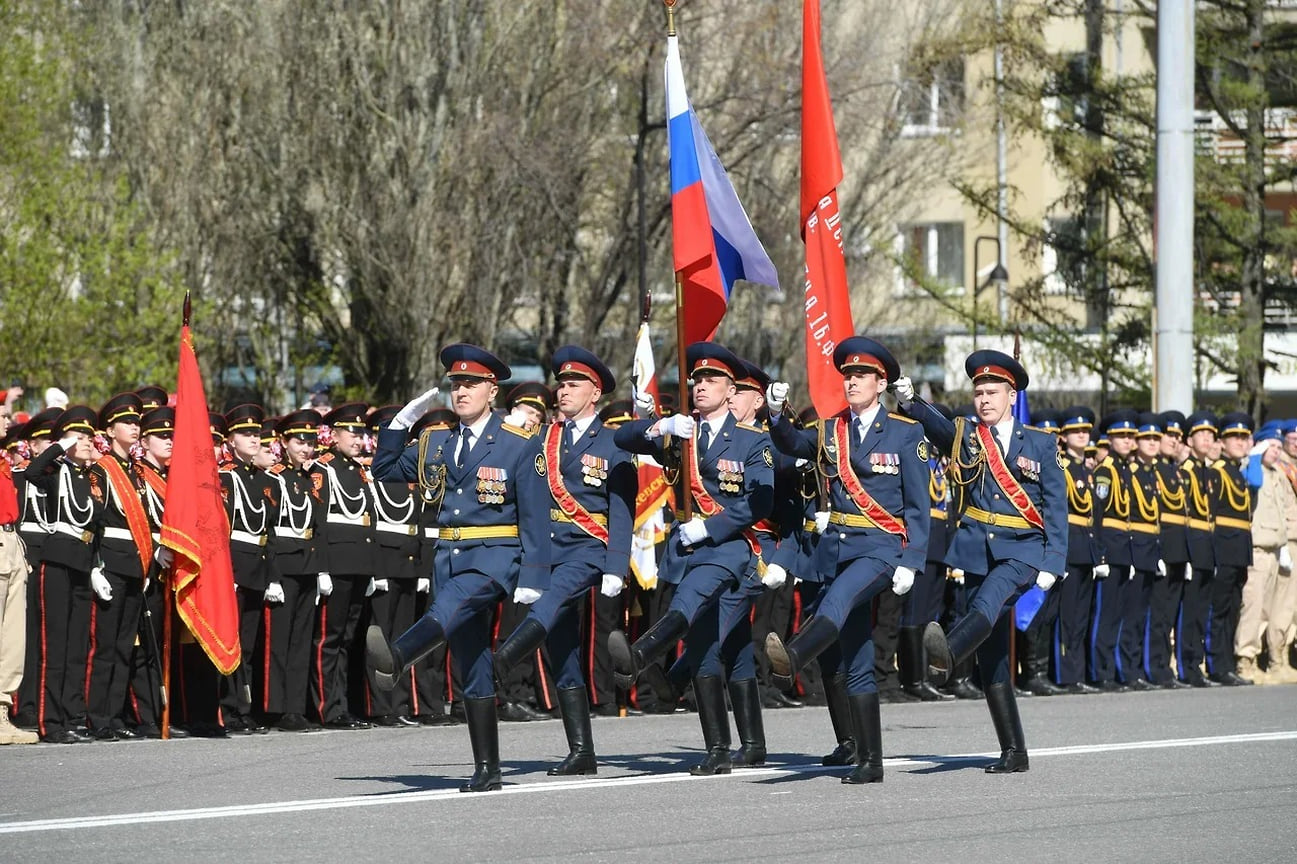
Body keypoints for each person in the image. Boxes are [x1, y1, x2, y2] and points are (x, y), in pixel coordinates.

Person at [367, 344, 549, 792]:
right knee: (471, 663)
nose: (460, 391)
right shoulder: (437, 441)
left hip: (493, 559)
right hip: (449, 558)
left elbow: (536, 513)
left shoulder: (518, 443)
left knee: (448, 609)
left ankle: (398, 657)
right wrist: (400, 424)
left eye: (470, 384)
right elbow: (384, 470)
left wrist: (535, 577)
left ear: (492, 390)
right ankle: (488, 768)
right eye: (455, 384)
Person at [764, 336, 930, 784]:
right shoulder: (829, 429)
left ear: (881, 383)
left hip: (880, 549)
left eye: (861, 376)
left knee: (833, 602)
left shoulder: (906, 432)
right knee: (855, 655)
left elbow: (917, 505)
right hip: (839, 548)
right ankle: (870, 760)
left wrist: (912, 560)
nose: (852, 381)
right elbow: (792, 444)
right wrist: (776, 413)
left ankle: (794, 656)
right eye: (848, 376)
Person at [894, 350, 1066, 774]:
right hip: (973, 549)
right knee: (992, 656)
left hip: (1021, 551)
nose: (984, 399)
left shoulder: (1041, 443)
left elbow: (1056, 507)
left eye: (992, 392)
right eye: (978, 393)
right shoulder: (967, 436)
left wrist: (1053, 562)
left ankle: (948, 652)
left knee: (985, 605)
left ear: (1012, 396)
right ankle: (1014, 751)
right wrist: (910, 403)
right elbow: (935, 426)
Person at [607, 342, 774, 776]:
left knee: (691, 604)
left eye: (711, 380)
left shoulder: (752, 440)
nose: (701, 386)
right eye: (696, 380)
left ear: (731, 389)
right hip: (686, 549)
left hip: (729, 548)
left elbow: (762, 499)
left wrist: (713, 527)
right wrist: (660, 424)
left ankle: (641, 656)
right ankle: (722, 749)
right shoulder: (683, 434)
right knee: (707, 648)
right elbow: (620, 438)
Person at [492, 346, 635, 775]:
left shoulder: (612, 441)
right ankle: (582, 751)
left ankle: (504, 658)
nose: (563, 390)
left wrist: (616, 564)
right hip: (547, 553)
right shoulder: (542, 439)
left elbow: (621, 509)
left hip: (588, 549)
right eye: (562, 383)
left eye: (574, 384)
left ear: (595, 393)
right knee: (562, 647)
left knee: (548, 603)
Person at [85, 393, 163, 740]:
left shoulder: (136, 472)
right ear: (110, 429)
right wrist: (95, 565)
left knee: (122, 646)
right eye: (127, 423)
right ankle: (98, 716)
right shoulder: (102, 470)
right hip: (110, 563)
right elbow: (95, 520)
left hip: (135, 563)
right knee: (105, 646)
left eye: (136, 423)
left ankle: (114, 715)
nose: (134, 428)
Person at [24, 405, 102, 743]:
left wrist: (97, 566)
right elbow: (31, 472)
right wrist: (62, 444)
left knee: (75, 648)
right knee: (54, 647)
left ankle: (71, 716)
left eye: (89, 436)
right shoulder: (56, 470)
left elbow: (98, 524)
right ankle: (50, 722)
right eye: (80, 436)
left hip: (84, 563)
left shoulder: (93, 478)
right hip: (57, 561)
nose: (87, 442)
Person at [310, 403, 377, 729]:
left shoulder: (359, 470)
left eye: (360, 432)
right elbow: (319, 522)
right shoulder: (324, 469)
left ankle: (342, 705)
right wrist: (322, 568)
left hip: (357, 564)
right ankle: (327, 707)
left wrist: (371, 569)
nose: (358, 438)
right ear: (333, 435)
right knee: (329, 639)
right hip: (335, 564)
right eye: (351, 431)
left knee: (348, 639)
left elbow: (368, 520)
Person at [262, 410, 327, 731]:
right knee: (279, 641)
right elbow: (269, 530)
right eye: (299, 441)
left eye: (311, 442)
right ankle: (275, 708)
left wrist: (320, 569)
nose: (306, 447)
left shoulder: (307, 479)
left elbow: (315, 527)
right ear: (283, 443)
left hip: (306, 565)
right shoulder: (274, 478)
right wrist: (272, 575)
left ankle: (295, 707)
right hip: (284, 565)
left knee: (302, 640)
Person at [362, 405, 423, 727]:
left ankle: (399, 703)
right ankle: (380, 705)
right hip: (383, 561)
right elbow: (368, 526)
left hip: (409, 562)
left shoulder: (410, 473)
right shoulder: (371, 473)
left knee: (403, 636)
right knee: (381, 639)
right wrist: (377, 570)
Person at [1235, 425, 1294, 683]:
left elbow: (1281, 512)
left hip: (1274, 549)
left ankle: (1270, 660)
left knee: (1270, 610)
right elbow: (1253, 482)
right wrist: (1256, 455)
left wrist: (1282, 546)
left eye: (1280, 448)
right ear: (1260, 445)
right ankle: (1245, 661)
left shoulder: (1277, 475)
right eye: (1273, 446)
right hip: (1257, 550)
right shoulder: (1253, 466)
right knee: (1253, 609)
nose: (1278, 452)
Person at [1054, 407, 1103, 694]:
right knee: (1068, 616)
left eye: (1086, 431)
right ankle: (1066, 674)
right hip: (1070, 546)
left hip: (1086, 547)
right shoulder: (1062, 469)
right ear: (1064, 436)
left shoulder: (1088, 471)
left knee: (1082, 616)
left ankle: (1078, 672)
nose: (1083, 435)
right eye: (1076, 431)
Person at [1090, 410, 1138, 692]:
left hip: (1124, 548)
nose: (1127, 440)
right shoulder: (1106, 471)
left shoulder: (1123, 470)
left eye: (1130, 436)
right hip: (1110, 546)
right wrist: (1101, 555)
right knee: (1104, 616)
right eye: (1121, 436)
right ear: (1110, 439)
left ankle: (1113, 669)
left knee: (1118, 613)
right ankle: (1100, 671)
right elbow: (1098, 514)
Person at [0, 398, 37, 744]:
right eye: (2, 416)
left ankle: (1, 713)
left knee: (12, 639)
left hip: (11, 543)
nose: (7, 422)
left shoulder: (4, 463)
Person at [1208, 412, 1255, 686]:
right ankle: (1216, 665)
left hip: (1238, 553)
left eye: (1244, 437)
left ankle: (1226, 663)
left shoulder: (1238, 473)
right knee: (1219, 610)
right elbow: (1211, 516)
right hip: (1223, 553)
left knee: (1233, 610)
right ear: (1222, 442)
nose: (1240, 441)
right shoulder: (1217, 472)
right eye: (1234, 437)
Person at [1178, 412, 1220, 687]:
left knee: (1203, 610)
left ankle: (1198, 664)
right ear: (1190, 439)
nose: (1206, 439)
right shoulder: (1186, 472)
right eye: (1200, 434)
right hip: (1193, 548)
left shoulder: (1210, 474)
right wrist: (1188, 553)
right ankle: (1187, 666)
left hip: (1208, 549)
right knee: (1189, 611)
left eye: (1210, 435)